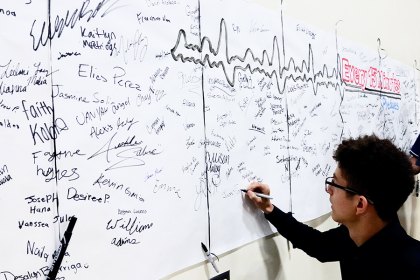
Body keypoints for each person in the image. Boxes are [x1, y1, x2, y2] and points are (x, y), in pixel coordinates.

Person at [244, 134, 420, 280]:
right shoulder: (357, 233)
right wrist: (270, 209)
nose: (329, 190)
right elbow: (318, 245)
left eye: (335, 184)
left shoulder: (409, 266)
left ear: (360, 204)